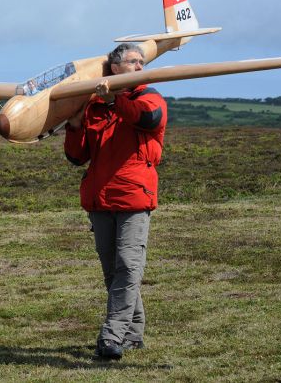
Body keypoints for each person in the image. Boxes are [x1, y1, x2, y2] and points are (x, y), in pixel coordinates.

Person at [64, 43, 167, 360]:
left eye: (142, 62)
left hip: (134, 197)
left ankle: (111, 336)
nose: (140, 66)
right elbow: (77, 156)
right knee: (114, 271)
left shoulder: (150, 99)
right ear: (114, 67)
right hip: (100, 199)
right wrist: (76, 124)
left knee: (127, 267)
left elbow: (146, 119)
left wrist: (116, 98)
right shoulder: (95, 107)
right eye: (133, 62)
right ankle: (133, 334)